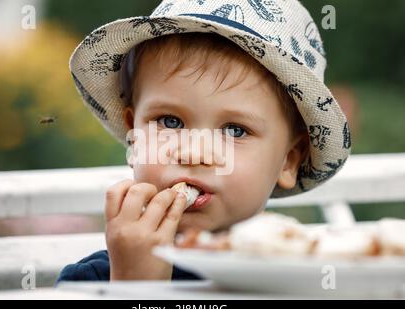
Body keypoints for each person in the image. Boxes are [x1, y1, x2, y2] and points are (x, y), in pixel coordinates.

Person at [57, 0, 351, 283]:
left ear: (289, 159)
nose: (194, 152)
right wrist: (134, 285)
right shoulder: (93, 281)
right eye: (170, 121)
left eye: (235, 130)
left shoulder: (306, 278)